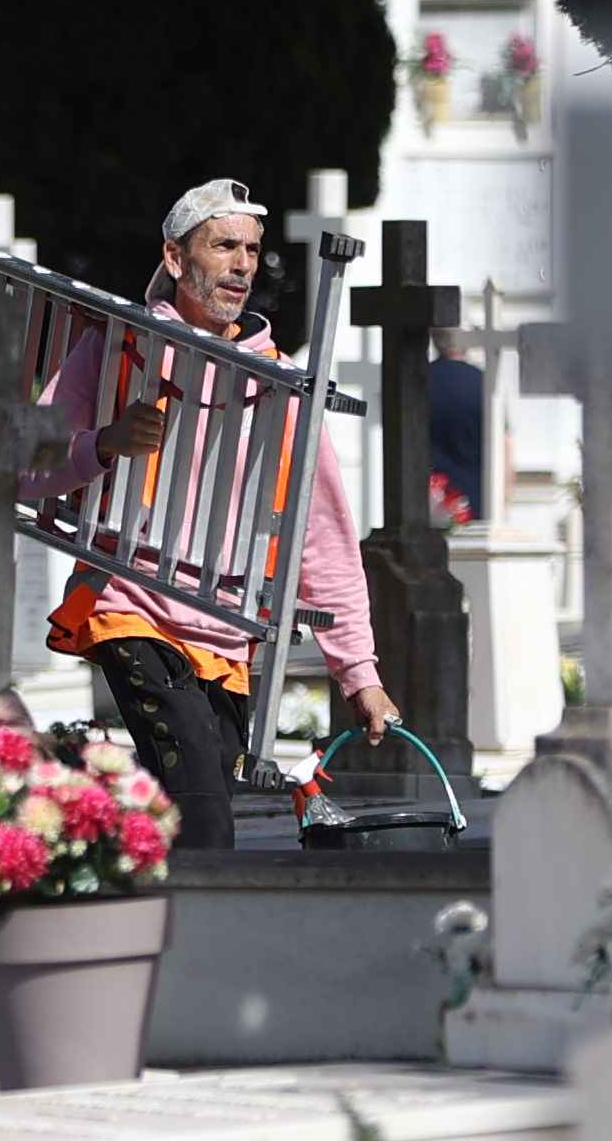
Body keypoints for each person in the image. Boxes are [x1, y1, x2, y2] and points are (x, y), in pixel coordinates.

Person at [39, 177, 391, 852]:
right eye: (224, 244)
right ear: (175, 259)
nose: (242, 264)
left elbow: (323, 537)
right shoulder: (116, 347)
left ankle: (103, 880)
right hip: (129, 603)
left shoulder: (282, 384)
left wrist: (360, 675)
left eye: (252, 250)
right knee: (204, 818)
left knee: (187, 807)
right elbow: (30, 462)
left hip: (227, 636)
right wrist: (103, 445)